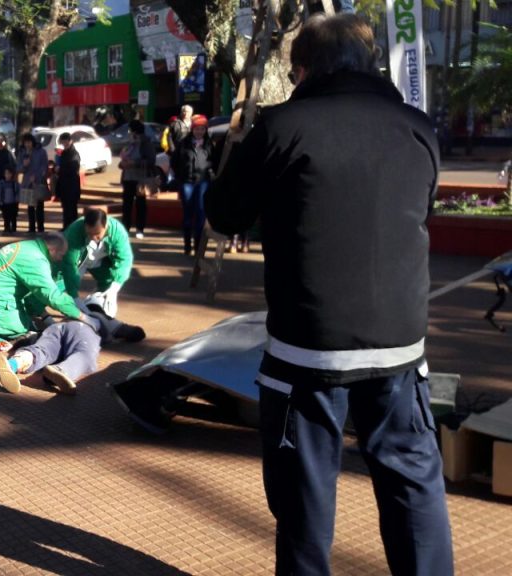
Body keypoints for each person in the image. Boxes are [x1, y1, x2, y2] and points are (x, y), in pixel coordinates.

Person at [205, 13, 453, 575]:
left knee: (304, 501)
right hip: (400, 344)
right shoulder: (418, 127)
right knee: (413, 486)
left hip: (308, 350)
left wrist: (245, 155)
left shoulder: (283, 127)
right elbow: (420, 213)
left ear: (302, 68)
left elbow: (224, 214)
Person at [0, 232, 88, 351]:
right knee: (26, 334)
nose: (61, 259)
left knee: (29, 324)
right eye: (61, 255)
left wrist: (47, 318)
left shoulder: (29, 246)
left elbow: (33, 296)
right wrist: (82, 316)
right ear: (53, 250)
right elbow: (51, 296)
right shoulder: (37, 260)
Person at [0, 304, 145, 395]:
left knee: (41, 349)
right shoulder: (99, 317)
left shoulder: (68, 315)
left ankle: (14, 364)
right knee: (85, 356)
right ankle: (61, 371)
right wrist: (113, 326)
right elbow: (136, 333)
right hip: (83, 330)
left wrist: (17, 345)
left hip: (57, 328)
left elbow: (30, 339)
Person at [59, 208, 133, 317]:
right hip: (77, 261)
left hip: (100, 260)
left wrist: (115, 287)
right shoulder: (74, 231)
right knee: (57, 285)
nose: (93, 238)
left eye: (97, 234)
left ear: (106, 225)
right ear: (84, 226)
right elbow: (69, 265)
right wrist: (73, 296)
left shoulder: (118, 232)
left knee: (110, 281)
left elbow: (124, 260)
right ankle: (36, 310)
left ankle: (99, 306)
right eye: (89, 233)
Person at [174, 114, 217, 255]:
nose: (199, 132)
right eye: (197, 129)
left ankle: (198, 245)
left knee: (201, 212)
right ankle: (187, 244)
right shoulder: (183, 144)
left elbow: (215, 161)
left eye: (202, 129)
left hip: (202, 182)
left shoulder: (209, 145)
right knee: (188, 213)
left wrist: (211, 172)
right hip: (187, 182)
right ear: (192, 129)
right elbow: (174, 162)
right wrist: (179, 177)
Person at [118, 120, 155, 239]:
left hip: (140, 179)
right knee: (126, 204)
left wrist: (134, 163)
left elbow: (151, 161)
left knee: (140, 204)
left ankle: (140, 228)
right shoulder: (129, 143)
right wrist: (122, 164)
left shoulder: (146, 143)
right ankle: (125, 227)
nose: (129, 133)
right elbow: (123, 158)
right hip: (128, 177)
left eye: (130, 130)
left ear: (135, 131)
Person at [17, 133, 49, 234]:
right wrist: (24, 165)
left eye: (29, 142)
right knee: (30, 206)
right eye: (25, 143)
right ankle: (31, 228)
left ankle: (41, 227)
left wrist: (37, 176)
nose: (27, 145)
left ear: (32, 142)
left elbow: (44, 166)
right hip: (27, 183)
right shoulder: (22, 153)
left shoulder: (41, 151)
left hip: (38, 182)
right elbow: (18, 168)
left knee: (39, 206)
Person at [54, 132, 82, 230]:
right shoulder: (64, 153)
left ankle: (73, 228)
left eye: (65, 142)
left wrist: (60, 169)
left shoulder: (74, 154)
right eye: (62, 142)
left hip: (72, 185)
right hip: (64, 185)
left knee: (71, 208)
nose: (64, 144)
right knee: (65, 208)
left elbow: (73, 169)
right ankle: (66, 227)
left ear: (70, 141)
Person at [0, 167, 20, 234]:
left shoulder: (14, 183)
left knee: (13, 217)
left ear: (11, 174)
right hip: (5, 203)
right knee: (6, 217)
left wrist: (17, 200)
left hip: (13, 203)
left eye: (9, 173)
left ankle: (14, 228)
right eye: (6, 173)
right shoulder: (2, 183)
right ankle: (6, 228)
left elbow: (17, 191)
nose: (8, 175)